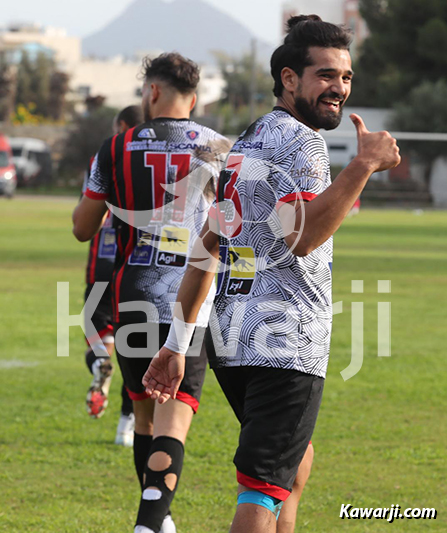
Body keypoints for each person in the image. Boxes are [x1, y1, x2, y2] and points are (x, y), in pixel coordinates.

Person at [142, 15, 400, 533]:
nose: (339, 88)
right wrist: (363, 166)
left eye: (345, 77)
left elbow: (206, 249)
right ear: (288, 78)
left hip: (234, 343)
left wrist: (176, 344)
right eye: (325, 75)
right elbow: (301, 236)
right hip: (287, 344)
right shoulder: (303, 144)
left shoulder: (249, 141)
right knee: (262, 487)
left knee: (295, 465)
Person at [72, 52, 231, 533]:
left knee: (144, 416)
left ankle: (158, 521)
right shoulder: (220, 148)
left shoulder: (115, 148)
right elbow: (236, 229)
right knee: (173, 421)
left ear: (151, 93)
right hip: (192, 298)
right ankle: (151, 522)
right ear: (195, 99)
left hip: (133, 295)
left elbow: (83, 228)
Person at [83, 105, 143, 448]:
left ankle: (101, 361)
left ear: (122, 125)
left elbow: (84, 217)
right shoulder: (159, 154)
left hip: (101, 259)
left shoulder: (105, 155)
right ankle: (126, 423)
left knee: (97, 325)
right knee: (137, 345)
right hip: (141, 265)